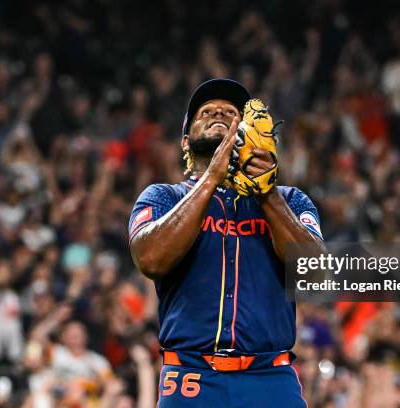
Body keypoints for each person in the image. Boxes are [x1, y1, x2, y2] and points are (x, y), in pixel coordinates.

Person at [129, 79, 323, 407]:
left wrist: (266, 192)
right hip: (190, 375)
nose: (219, 112)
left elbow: (315, 275)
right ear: (186, 141)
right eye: (206, 112)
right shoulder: (163, 196)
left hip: (270, 377)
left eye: (231, 112)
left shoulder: (290, 200)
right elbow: (150, 259)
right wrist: (212, 179)